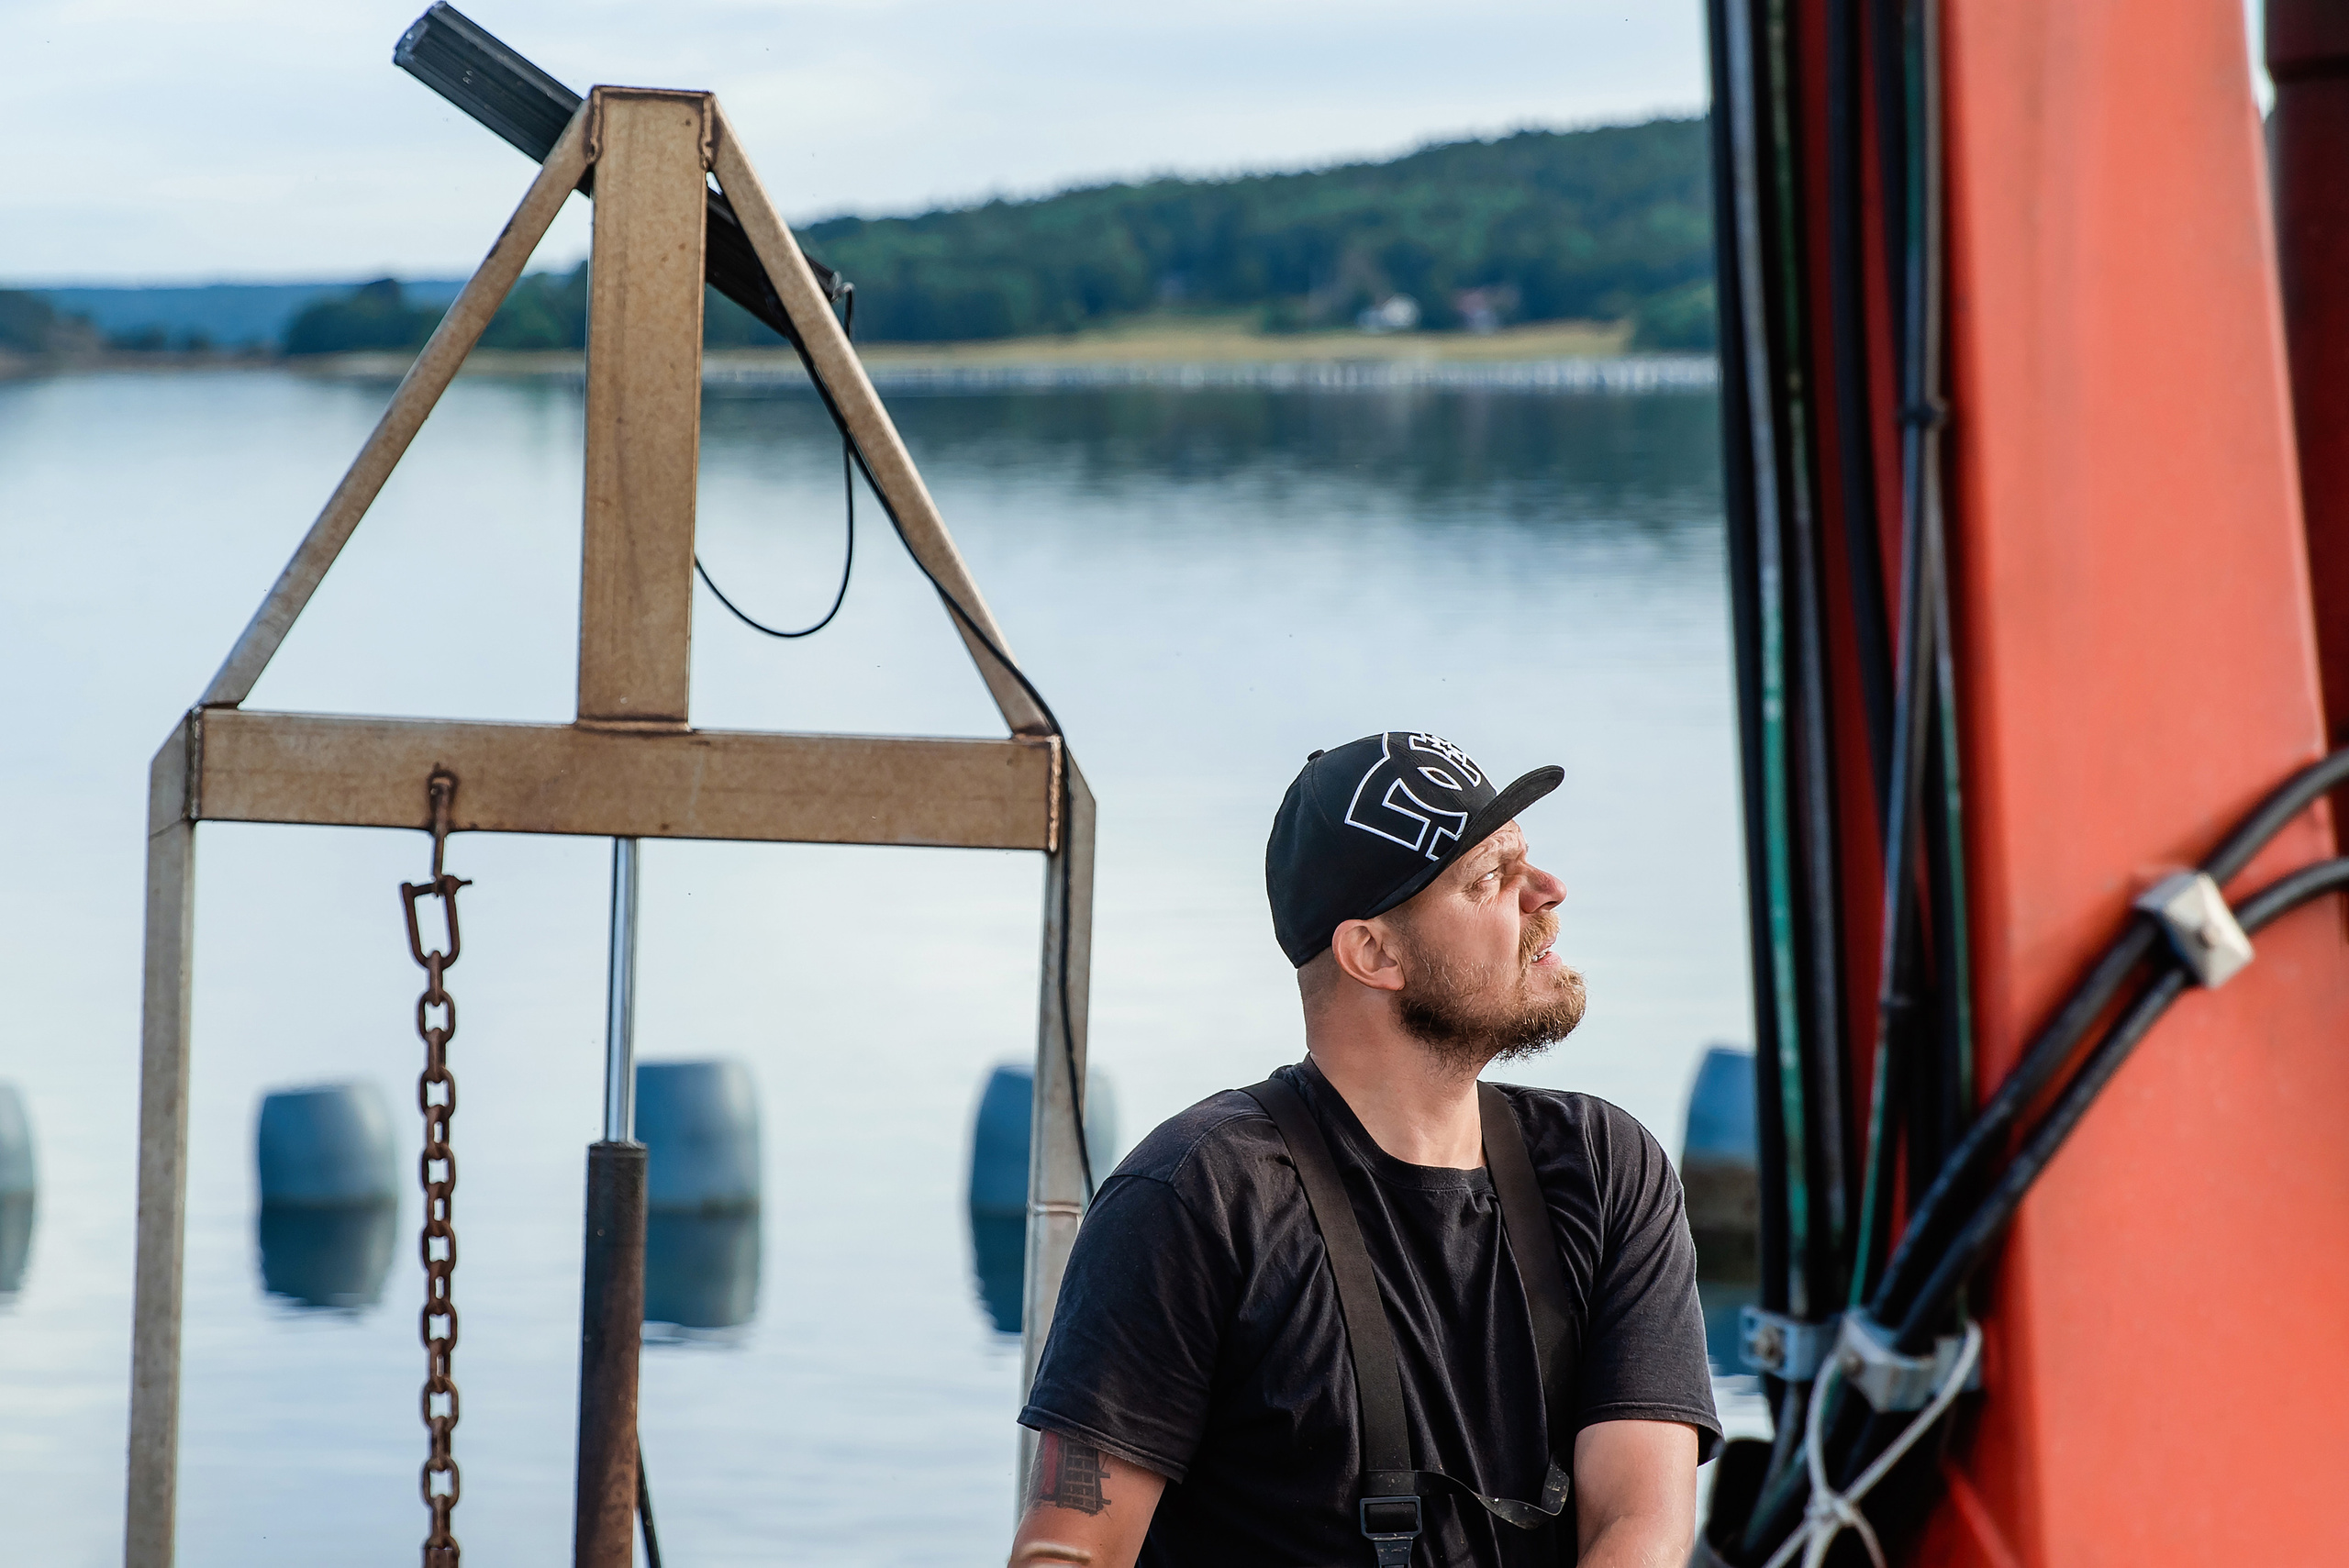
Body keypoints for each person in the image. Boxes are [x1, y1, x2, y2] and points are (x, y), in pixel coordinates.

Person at [1009, 732, 1720, 1568]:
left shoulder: (1606, 1167)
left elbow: (1639, 1525)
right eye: (1487, 878)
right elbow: (1067, 1550)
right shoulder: (1194, 1196)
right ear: (1372, 953)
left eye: (1524, 859)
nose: (1547, 891)